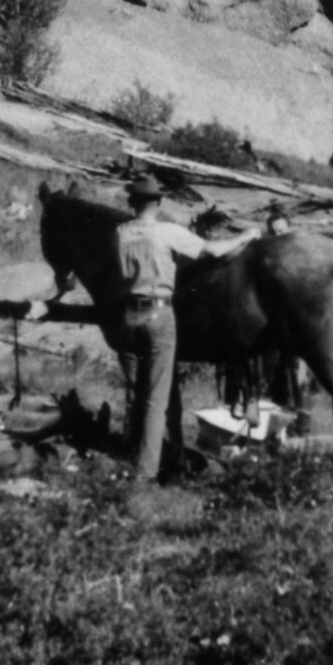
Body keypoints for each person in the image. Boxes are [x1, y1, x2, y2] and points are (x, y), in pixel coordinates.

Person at [102, 173, 202, 487]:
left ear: (132, 202)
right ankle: (144, 474)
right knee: (155, 401)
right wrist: (245, 237)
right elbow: (211, 250)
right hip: (159, 314)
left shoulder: (120, 233)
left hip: (127, 316)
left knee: (136, 392)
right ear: (158, 202)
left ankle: (131, 452)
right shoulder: (167, 232)